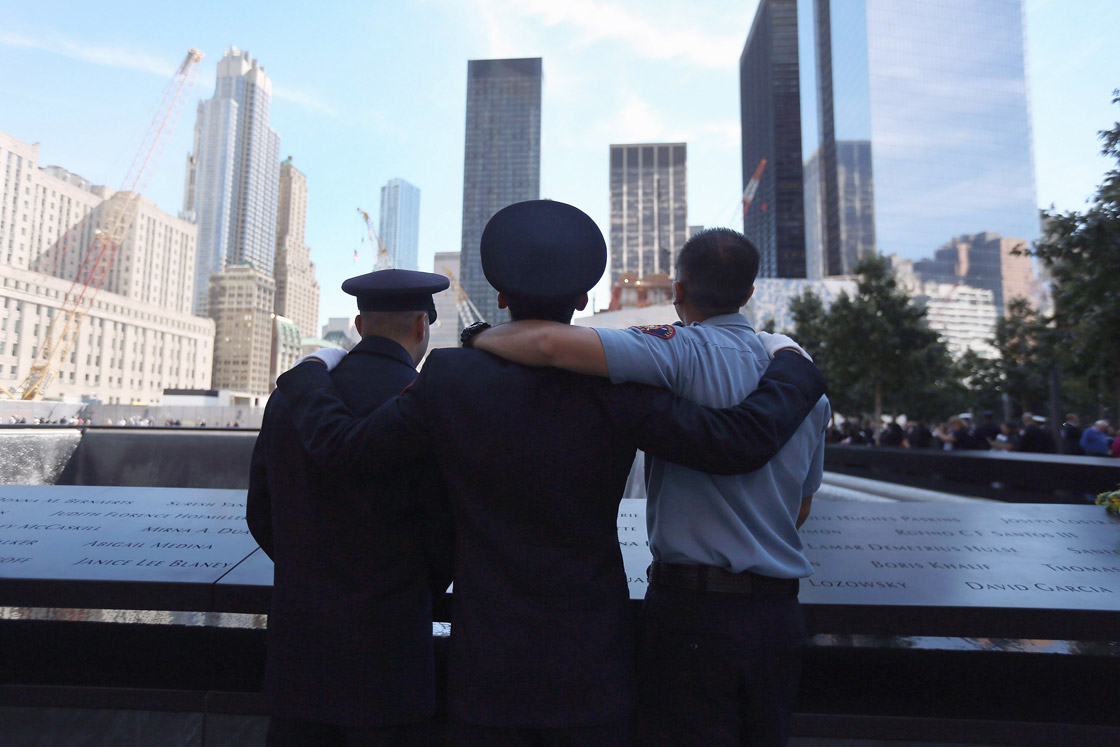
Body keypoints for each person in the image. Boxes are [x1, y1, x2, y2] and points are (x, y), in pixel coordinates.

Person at [276, 202, 827, 746]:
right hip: (593, 667)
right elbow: (729, 443)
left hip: (486, 666)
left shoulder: (449, 378)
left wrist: (307, 373)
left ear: (500, 297)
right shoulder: (624, 387)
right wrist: (796, 370)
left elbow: (346, 450)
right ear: (585, 299)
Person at [472, 226, 830, 745]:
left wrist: (476, 336)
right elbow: (801, 507)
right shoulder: (805, 390)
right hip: (778, 618)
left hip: (692, 615)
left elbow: (547, 343)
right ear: (749, 293)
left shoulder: (676, 352)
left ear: (678, 291)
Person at [247, 269, 455, 746]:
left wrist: (311, 568)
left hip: (299, 655)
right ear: (423, 326)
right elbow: (446, 529)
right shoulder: (428, 405)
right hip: (392, 655)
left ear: (359, 327)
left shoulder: (289, 397)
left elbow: (260, 511)